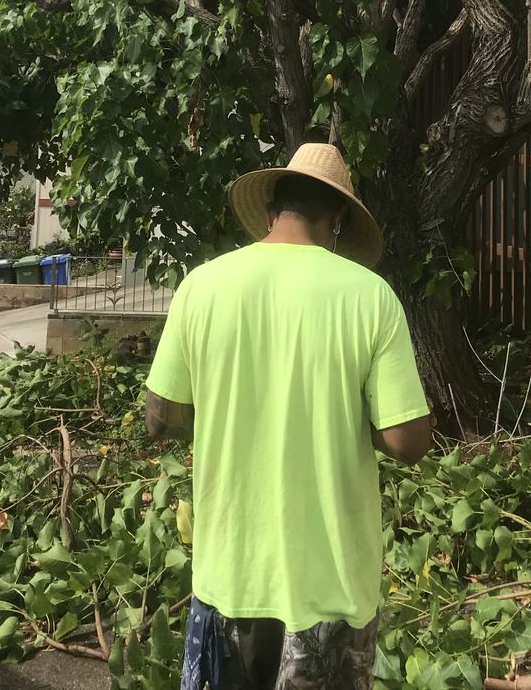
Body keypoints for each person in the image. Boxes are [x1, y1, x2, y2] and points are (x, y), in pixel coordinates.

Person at [144, 142, 431, 690]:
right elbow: (407, 441)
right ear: (339, 219)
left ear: (272, 210)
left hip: (230, 578)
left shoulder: (201, 286)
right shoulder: (371, 298)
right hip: (331, 590)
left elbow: (161, 419)